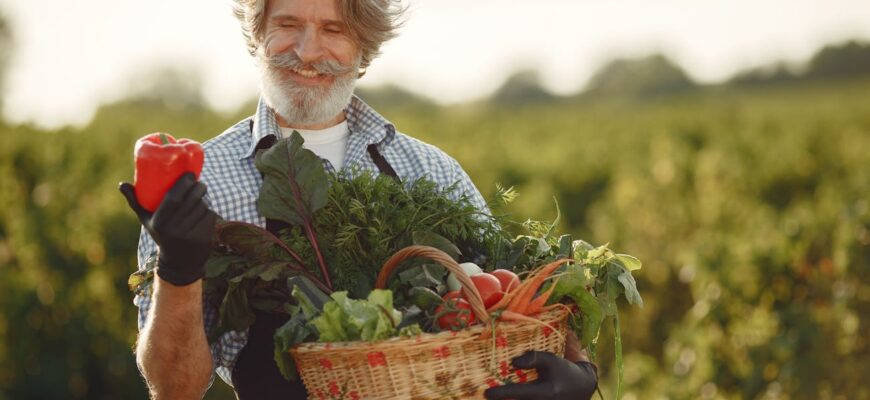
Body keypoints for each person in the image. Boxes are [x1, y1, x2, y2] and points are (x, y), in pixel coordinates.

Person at [119, 0, 598, 399]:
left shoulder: (428, 170)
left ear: (363, 46)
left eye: (333, 28)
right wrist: (178, 271)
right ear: (257, 34)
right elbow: (175, 389)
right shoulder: (202, 180)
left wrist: (579, 368)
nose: (308, 51)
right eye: (287, 25)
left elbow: (510, 294)